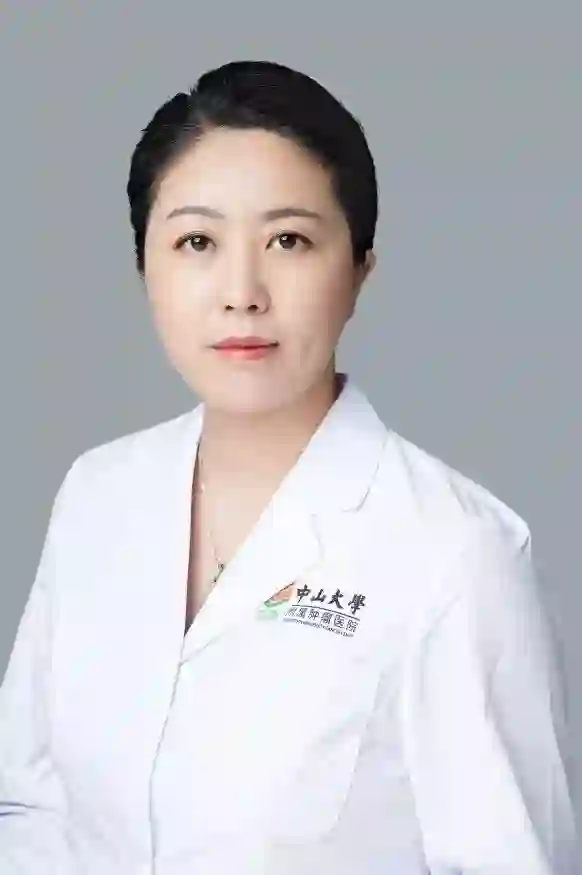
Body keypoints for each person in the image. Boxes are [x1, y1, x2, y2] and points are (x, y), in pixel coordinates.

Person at [0, 60, 577, 874]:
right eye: (197, 242)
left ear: (360, 269)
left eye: (289, 241)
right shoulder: (97, 495)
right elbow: (29, 807)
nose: (242, 292)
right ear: (144, 264)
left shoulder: (457, 551)